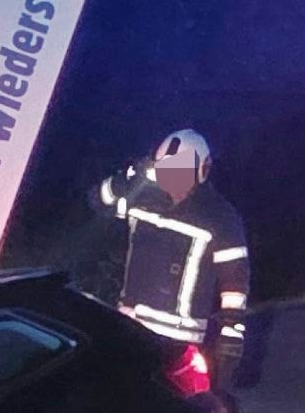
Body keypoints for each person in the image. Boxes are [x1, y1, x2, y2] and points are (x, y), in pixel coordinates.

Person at [92, 127, 253, 377]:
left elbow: (234, 279)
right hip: (129, 327)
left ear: (202, 170)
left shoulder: (220, 216)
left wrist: (231, 331)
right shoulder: (141, 198)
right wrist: (126, 179)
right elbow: (98, 201)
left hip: (179, 342)